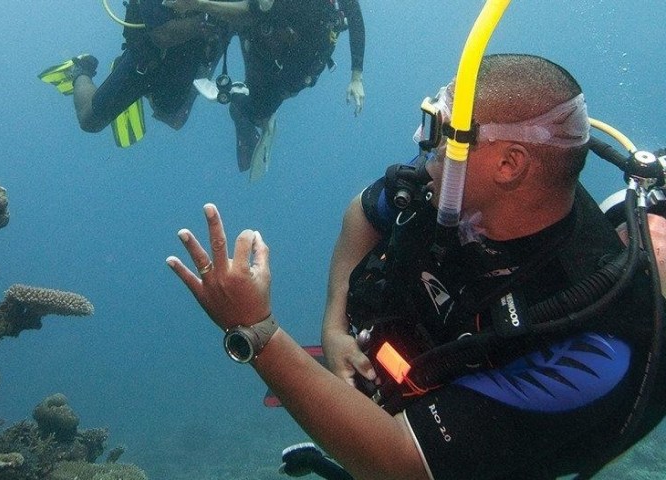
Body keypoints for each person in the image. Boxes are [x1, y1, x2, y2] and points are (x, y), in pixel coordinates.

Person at [167, 54, 666, 480]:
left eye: (442, 131)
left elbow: (399, 465)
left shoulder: (591, 347)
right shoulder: (449, 192)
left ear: (509, 165)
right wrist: (334, 326)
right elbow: (361, 214)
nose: (422, 143)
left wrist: (255, 331)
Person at [165, 0, 366, 179]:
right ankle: (214, 87)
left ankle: (244, 103)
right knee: (226, 24)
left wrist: (356, 77)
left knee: (255, 108)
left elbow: (355, 18)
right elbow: (252, 10)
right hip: (264, 43)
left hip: (287, 70)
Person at [40, 0, 232, 147]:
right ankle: (80, 70)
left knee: (173, 116)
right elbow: (162, 35)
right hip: (147, 61)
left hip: (192, 53)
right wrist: (215, 17)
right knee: (90, 121)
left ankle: (145, 89)